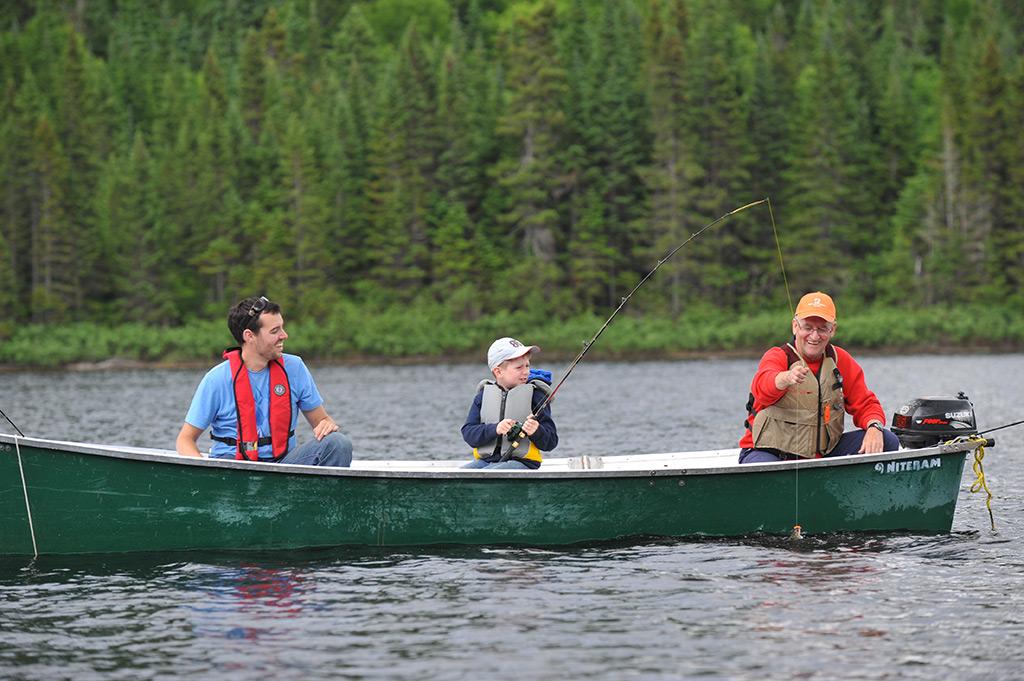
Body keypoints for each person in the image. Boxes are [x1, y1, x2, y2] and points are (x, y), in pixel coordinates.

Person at [176, 295, 353, 467]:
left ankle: (320, 497)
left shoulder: (295, 367)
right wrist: (207, 474)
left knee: (338, 443)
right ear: (249, 336)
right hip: (233, 469)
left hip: (283, 466)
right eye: (275, 331)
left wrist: (326, 425)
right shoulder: (216, 379)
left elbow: (322, 420)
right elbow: (185, 440)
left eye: (282, 328)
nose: (284, 335)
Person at [738, 291, 899, 464]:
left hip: (822, 454)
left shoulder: (840, 359)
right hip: (767, 452)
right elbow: (763, 387)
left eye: (822, 328)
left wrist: (874, 427)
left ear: (833, 329)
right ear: (795, 326)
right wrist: (784, 378)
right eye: (808, 327)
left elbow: (866, 403)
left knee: (888, 440)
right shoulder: (777, 356)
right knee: (767, 468)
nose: (814, 336)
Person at [461, 337, 558, 469]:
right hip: (487, 462)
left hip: (523, 463)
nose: (526, 372)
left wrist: (536, 430)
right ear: (498, 371)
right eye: (519, 367)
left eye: (527, 365)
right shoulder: (483, 396)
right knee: (462, 474)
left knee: (489, 474)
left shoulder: (536, 396)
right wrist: (495, 429)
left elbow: (551, 442)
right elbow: (469, 433)